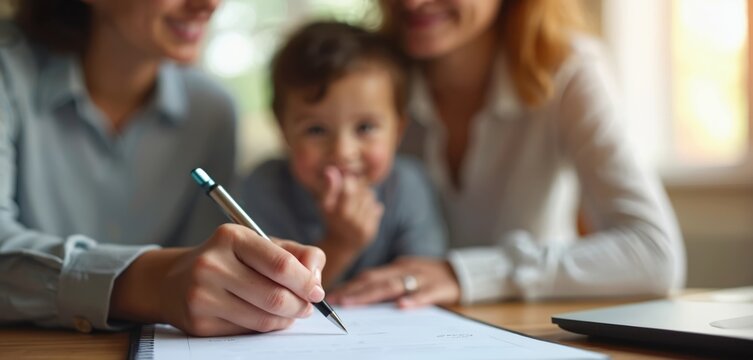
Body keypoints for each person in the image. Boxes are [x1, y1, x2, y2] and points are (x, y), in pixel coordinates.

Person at [328, 0, 686, 308]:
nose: (410, 2)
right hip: (403, 324)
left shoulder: (566, 67)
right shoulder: (367, 76)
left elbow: (655, 254)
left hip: (530, 326)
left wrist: (465, 274)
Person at [0, 0, 326, 336]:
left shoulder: (212, 111)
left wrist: (246, 277)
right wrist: (154, 285)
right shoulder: (8, 76)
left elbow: (204, 265)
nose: (211, 4)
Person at [240, 21, 446, 288]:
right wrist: (340, 244)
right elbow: (264, 291)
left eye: (365, 128)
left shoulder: (407, 187)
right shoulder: (264, 188)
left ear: (398, 130)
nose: (342, 152)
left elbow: (423, 277)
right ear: (283, 131)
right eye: (316, 130)